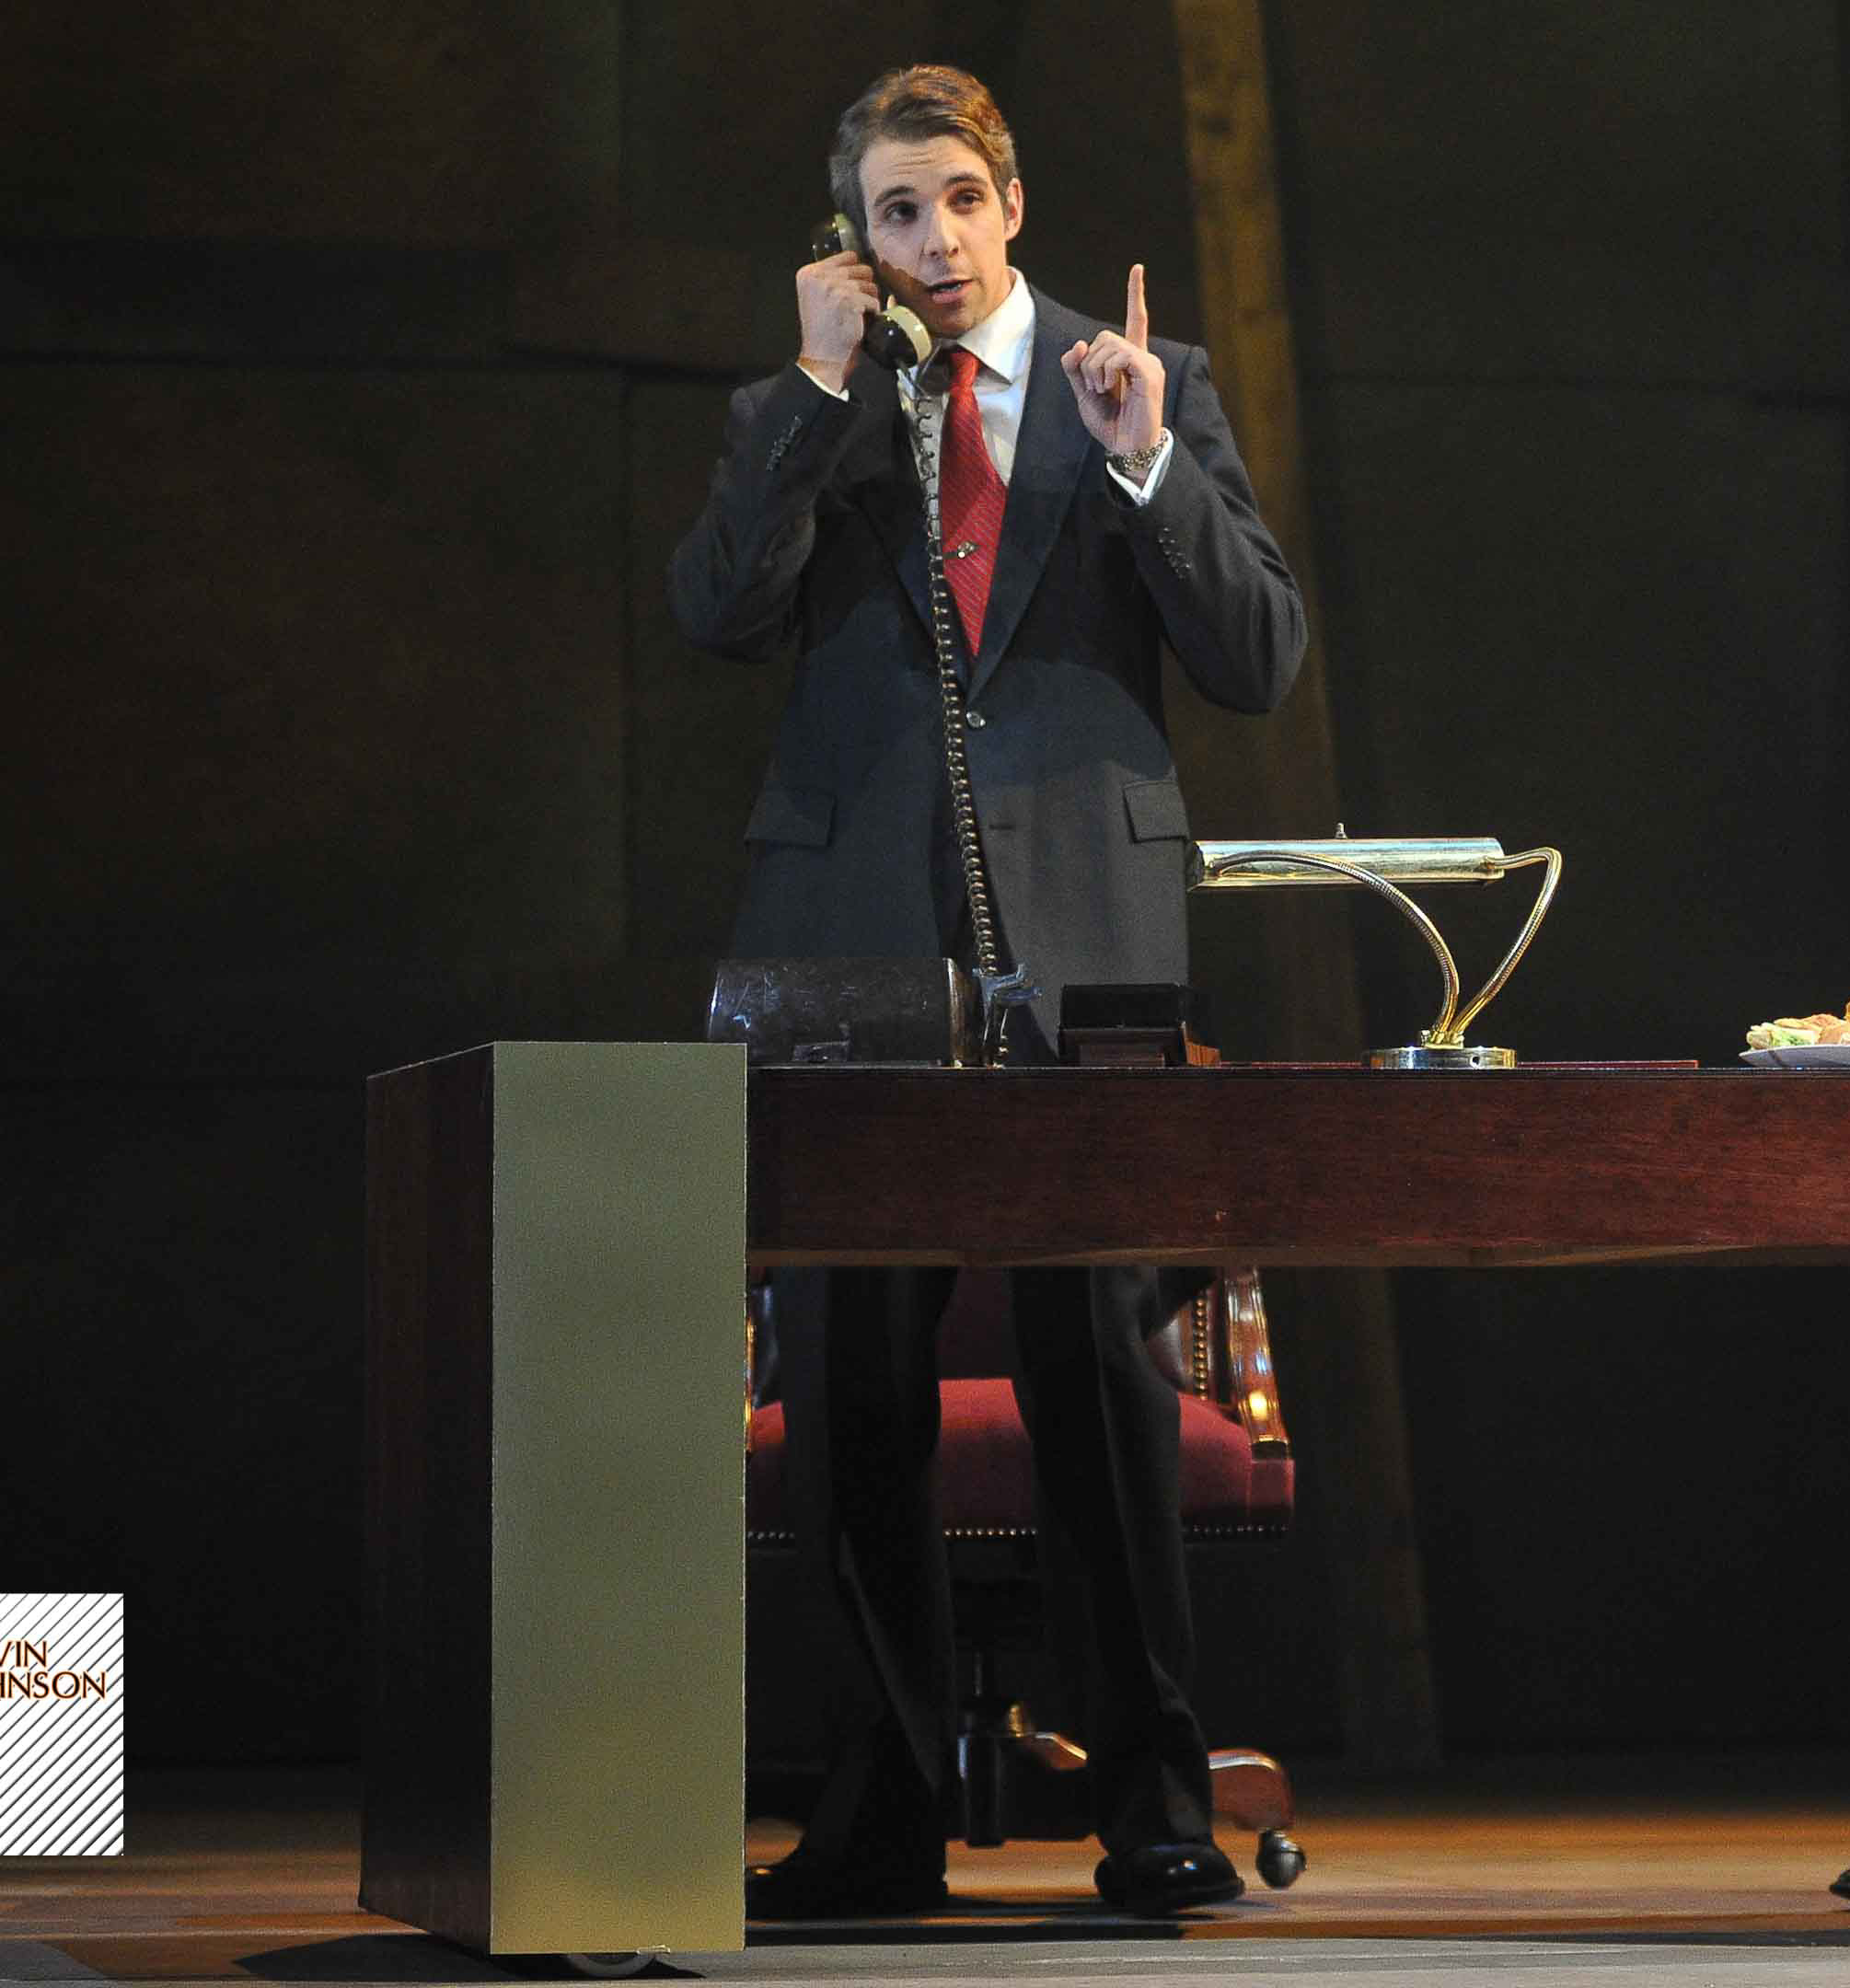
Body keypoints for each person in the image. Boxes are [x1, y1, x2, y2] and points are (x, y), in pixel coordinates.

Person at [669, 63, 1305, 1919]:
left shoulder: (1150, 387)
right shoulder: (809, 410)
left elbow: (1259, 656)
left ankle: (1155, 1808)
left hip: (1083, 940)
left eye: (955, 200)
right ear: (847, 243)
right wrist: (809, 392)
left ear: (1010, 204)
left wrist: (1141, 458)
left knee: (1096, 1366)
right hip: (852, 941)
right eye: (892, 214)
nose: (931, 241)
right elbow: (719, 611)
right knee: (852, 1368)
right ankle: (874, 1818)